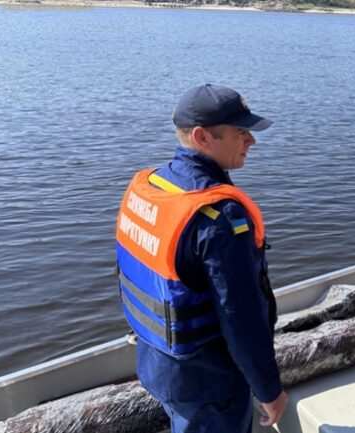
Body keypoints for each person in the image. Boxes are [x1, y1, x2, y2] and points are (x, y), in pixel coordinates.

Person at [115, 84, 288, 433]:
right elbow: (240, 317)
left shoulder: (153, 187)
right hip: (209, 382)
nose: (251, 141)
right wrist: (269, 389)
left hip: (157, 361)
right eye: (240, 132)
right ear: (202, 137)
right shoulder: (219, 218)